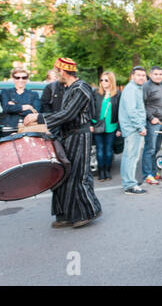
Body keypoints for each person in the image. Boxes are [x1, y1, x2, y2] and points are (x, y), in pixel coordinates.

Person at [23, 58, 102, 228]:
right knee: (63, 175)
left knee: (78, 176)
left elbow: (68, 114)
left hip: (80, 136)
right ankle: (65, 215)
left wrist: (39, 117)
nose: (55, 74)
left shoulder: (81, 88)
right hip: (67, 136)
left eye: (56, 70)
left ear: (63, 72)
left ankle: (87, 212)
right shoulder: (68, 88)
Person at [119, 66, 148, 195]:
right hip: (133, 129)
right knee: (131, 157)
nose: (141, 77)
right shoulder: (131, 89)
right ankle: (130, 185)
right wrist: (140, 127)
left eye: (143, 75)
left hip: (133, 128)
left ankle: (129, 182)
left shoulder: (136, 88)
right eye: (139, 75)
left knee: (130, 156)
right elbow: (132, 111)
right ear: (132, 76)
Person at [91, 71, 121, 181]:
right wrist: (91, 123)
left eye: (106, 80)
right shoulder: (96, 93)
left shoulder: (117, 94)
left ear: (111, 81)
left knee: (108, 150)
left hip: (111, 126)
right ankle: (101, 172)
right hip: (97, 125)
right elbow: (91, 109)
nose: (103, 82)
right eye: (102, 80)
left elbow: (120, 112)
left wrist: (119, 128)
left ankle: (107, 171)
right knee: (99, 150)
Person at [142, 66, 162, 185]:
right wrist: (151, 118)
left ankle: (153, 172)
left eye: (160, 74)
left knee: (156, 149)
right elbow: (142, 105)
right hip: (152, 123)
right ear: (151, 75)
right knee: (150, 149)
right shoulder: (146, 86)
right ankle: (147, 174)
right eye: (156, 74)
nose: (158, 76)